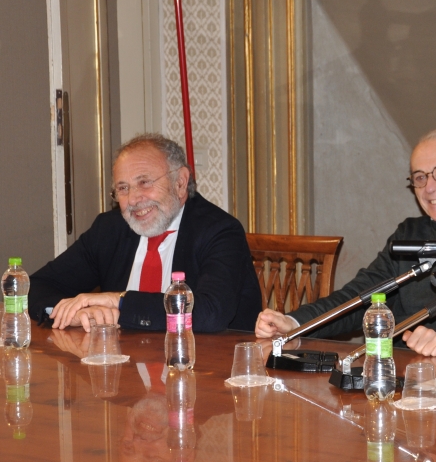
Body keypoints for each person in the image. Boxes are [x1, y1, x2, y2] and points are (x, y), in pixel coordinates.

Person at [254, 128, 436, 355]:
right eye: (420, 177)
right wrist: (293, 323)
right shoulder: (409, 233)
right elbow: (362, 294)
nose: (430, 187)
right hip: (402, 366)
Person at [29, 133, 262, 333]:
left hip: (203, 369)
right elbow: (38, 286)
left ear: (180, 182)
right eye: (122, 188)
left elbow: (210, 313)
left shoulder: (220, 231)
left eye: (144, 183)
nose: (132, 199)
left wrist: (117, 301)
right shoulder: (110, 230)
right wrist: (72, 314)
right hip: (123, 369)